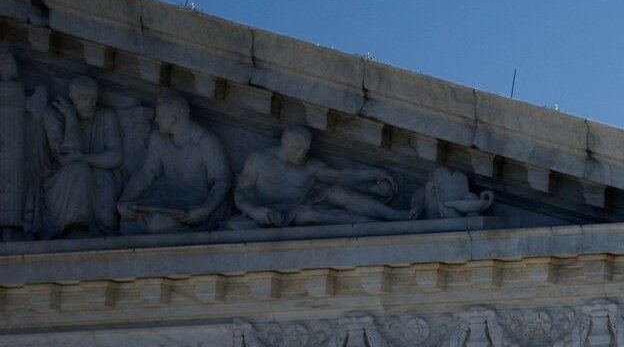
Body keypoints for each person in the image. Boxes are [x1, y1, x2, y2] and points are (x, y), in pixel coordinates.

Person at [228, 126, 412, 228]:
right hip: (273, 214)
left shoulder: (309, 166)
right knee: (312, 214)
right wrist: (255, 212)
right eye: (297, 149)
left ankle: (391, 216)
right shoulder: (258, 160)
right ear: (285, 142)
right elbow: (241, 194)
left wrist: (375, 173)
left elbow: (341, 175)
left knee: (339, 192)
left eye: (305, 150)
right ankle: (372, 225)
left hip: (300, 205)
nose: (301, 154)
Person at [117, 93, 229, 234]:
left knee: (160, 225)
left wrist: (205, 210)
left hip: (196, 205)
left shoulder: (206, 142)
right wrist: (124, 201)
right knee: (127, 223)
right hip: (167, 201)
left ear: (174, 117)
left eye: (159, 115)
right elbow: (146, 173)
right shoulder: (158, 138)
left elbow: (222, 180)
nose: (156, 120)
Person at [39, 76, 125, 238]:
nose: (90, 104)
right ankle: (76, 227)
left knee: (97, 176)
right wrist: (71, 117)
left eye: (94, 99)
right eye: (84, 98)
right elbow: (66, 156)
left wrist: (83, 157)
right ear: (71, 98)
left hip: (100, 173)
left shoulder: (106, 115)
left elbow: (116, 157)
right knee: (78, 170)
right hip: (60, 178)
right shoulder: (53, 114)